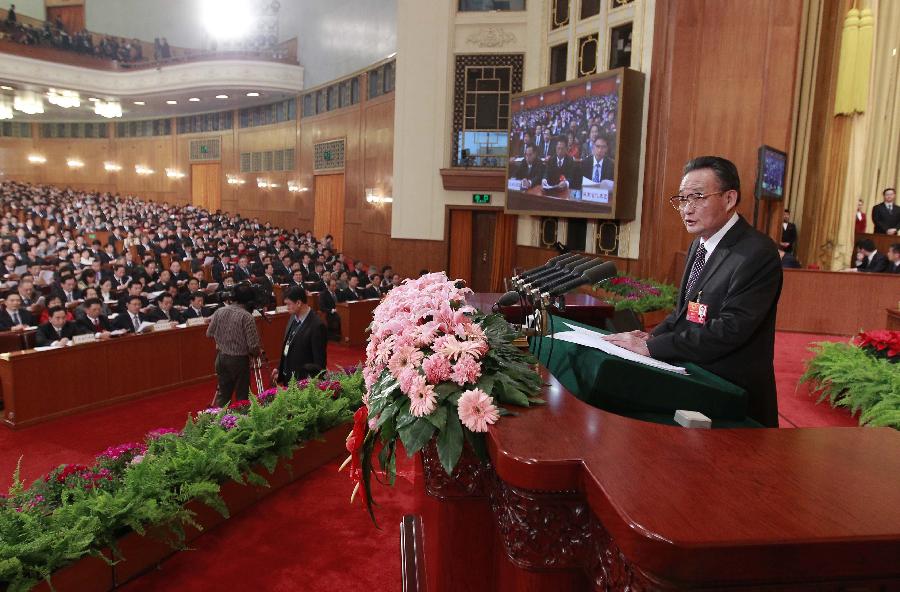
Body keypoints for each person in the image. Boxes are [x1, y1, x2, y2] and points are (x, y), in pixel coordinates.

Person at [604, 156, 783, 427]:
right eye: (683, 199)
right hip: (695, 380)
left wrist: (652, 347)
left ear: (729, 198)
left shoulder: (756, 253)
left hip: (732, 398)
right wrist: (648, 336)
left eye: (698, 197)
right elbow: (684, 312)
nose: (687, 209)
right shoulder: (699, 245)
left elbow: (731, 329)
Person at [206, 284, 262, 407]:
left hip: (221, 358)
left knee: (223, 396)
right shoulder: (247, 316)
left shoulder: (219, 311)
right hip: (239, 361)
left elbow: (209, 333)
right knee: (242, 396)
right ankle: (241, 422)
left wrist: (222, 340)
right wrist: (257, 353)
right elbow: (253, 345)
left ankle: (221, 423)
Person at [272, 286, 327, 386]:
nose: (286, 307)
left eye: (288, 304)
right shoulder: (293, 317)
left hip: (303, 383)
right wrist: (279, 368)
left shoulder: (317, 326)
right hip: (288, 377)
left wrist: (314, 383)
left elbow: (319, 363)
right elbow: (288, 346)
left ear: (298, 303)